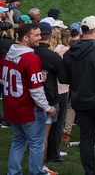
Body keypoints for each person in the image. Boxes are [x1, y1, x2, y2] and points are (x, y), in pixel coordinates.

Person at [58, 15, 95, 175]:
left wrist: (79, 80)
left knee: (86, 136)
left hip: (80, 101)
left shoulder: (70, 52)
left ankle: (90, 172)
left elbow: (63, 77)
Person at [2, 22, 57, 175]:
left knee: (18, 140)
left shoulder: (7, 56)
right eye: (37, 35)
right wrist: (47, 107)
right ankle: (36, 172)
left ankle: (13, 172)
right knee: (36, 143)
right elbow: (36, 90)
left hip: (12, 106)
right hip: (28, 109)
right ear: (26, 38)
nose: (40, 38)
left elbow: (3, 80)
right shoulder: (31, 58)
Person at [32, 20, 65, 168]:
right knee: (42, 136)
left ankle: (35, 165)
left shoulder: (27, 52)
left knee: (27, 136)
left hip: (28, 98)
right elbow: (63, 76)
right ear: (51, 35)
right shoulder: (52, 56)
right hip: (48, 98)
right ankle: (39, 167)